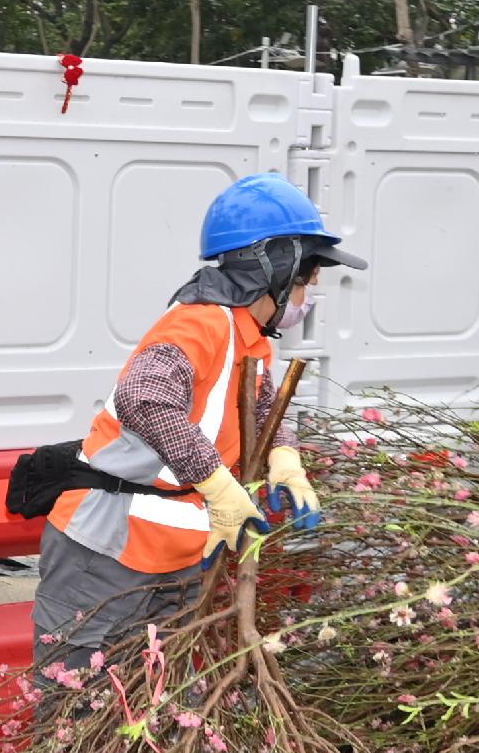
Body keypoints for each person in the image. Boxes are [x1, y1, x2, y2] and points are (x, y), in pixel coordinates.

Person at [30, 172, 355, 674]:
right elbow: (145, 399)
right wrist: (221, 488)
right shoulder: (198, 323)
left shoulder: (250, 338)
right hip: (105, 554)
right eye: (309, 276)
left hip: (173, 560)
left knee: (162, 705)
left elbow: (263, 408)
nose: (310, 292)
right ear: (275, 267)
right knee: (81, 706)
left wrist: (284, 458)